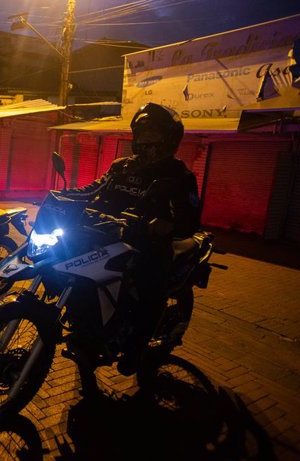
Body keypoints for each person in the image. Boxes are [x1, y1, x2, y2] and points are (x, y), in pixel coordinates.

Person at [62, 102, 201, 376]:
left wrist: (163, 225)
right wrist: (65, 196)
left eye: (154, 135)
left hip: (149, 248)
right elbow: (96, 189)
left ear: (169, 139)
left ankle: (136, 349)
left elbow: (190, 221)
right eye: (142, 134)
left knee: (152, 291)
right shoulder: (122, 166)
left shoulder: (180, 176)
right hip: (108, 240)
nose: (146, 141)